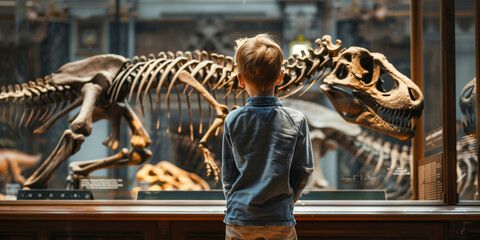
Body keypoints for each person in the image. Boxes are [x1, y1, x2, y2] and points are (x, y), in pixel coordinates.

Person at [222, 33, 314, 240]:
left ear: (240, 79)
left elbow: (228, 175)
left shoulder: (232, 120)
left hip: (240, 218)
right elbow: (303, 170)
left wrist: (238, 204)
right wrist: (286, 202)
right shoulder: (297, 120)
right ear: (281, 76)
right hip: (279, 218)